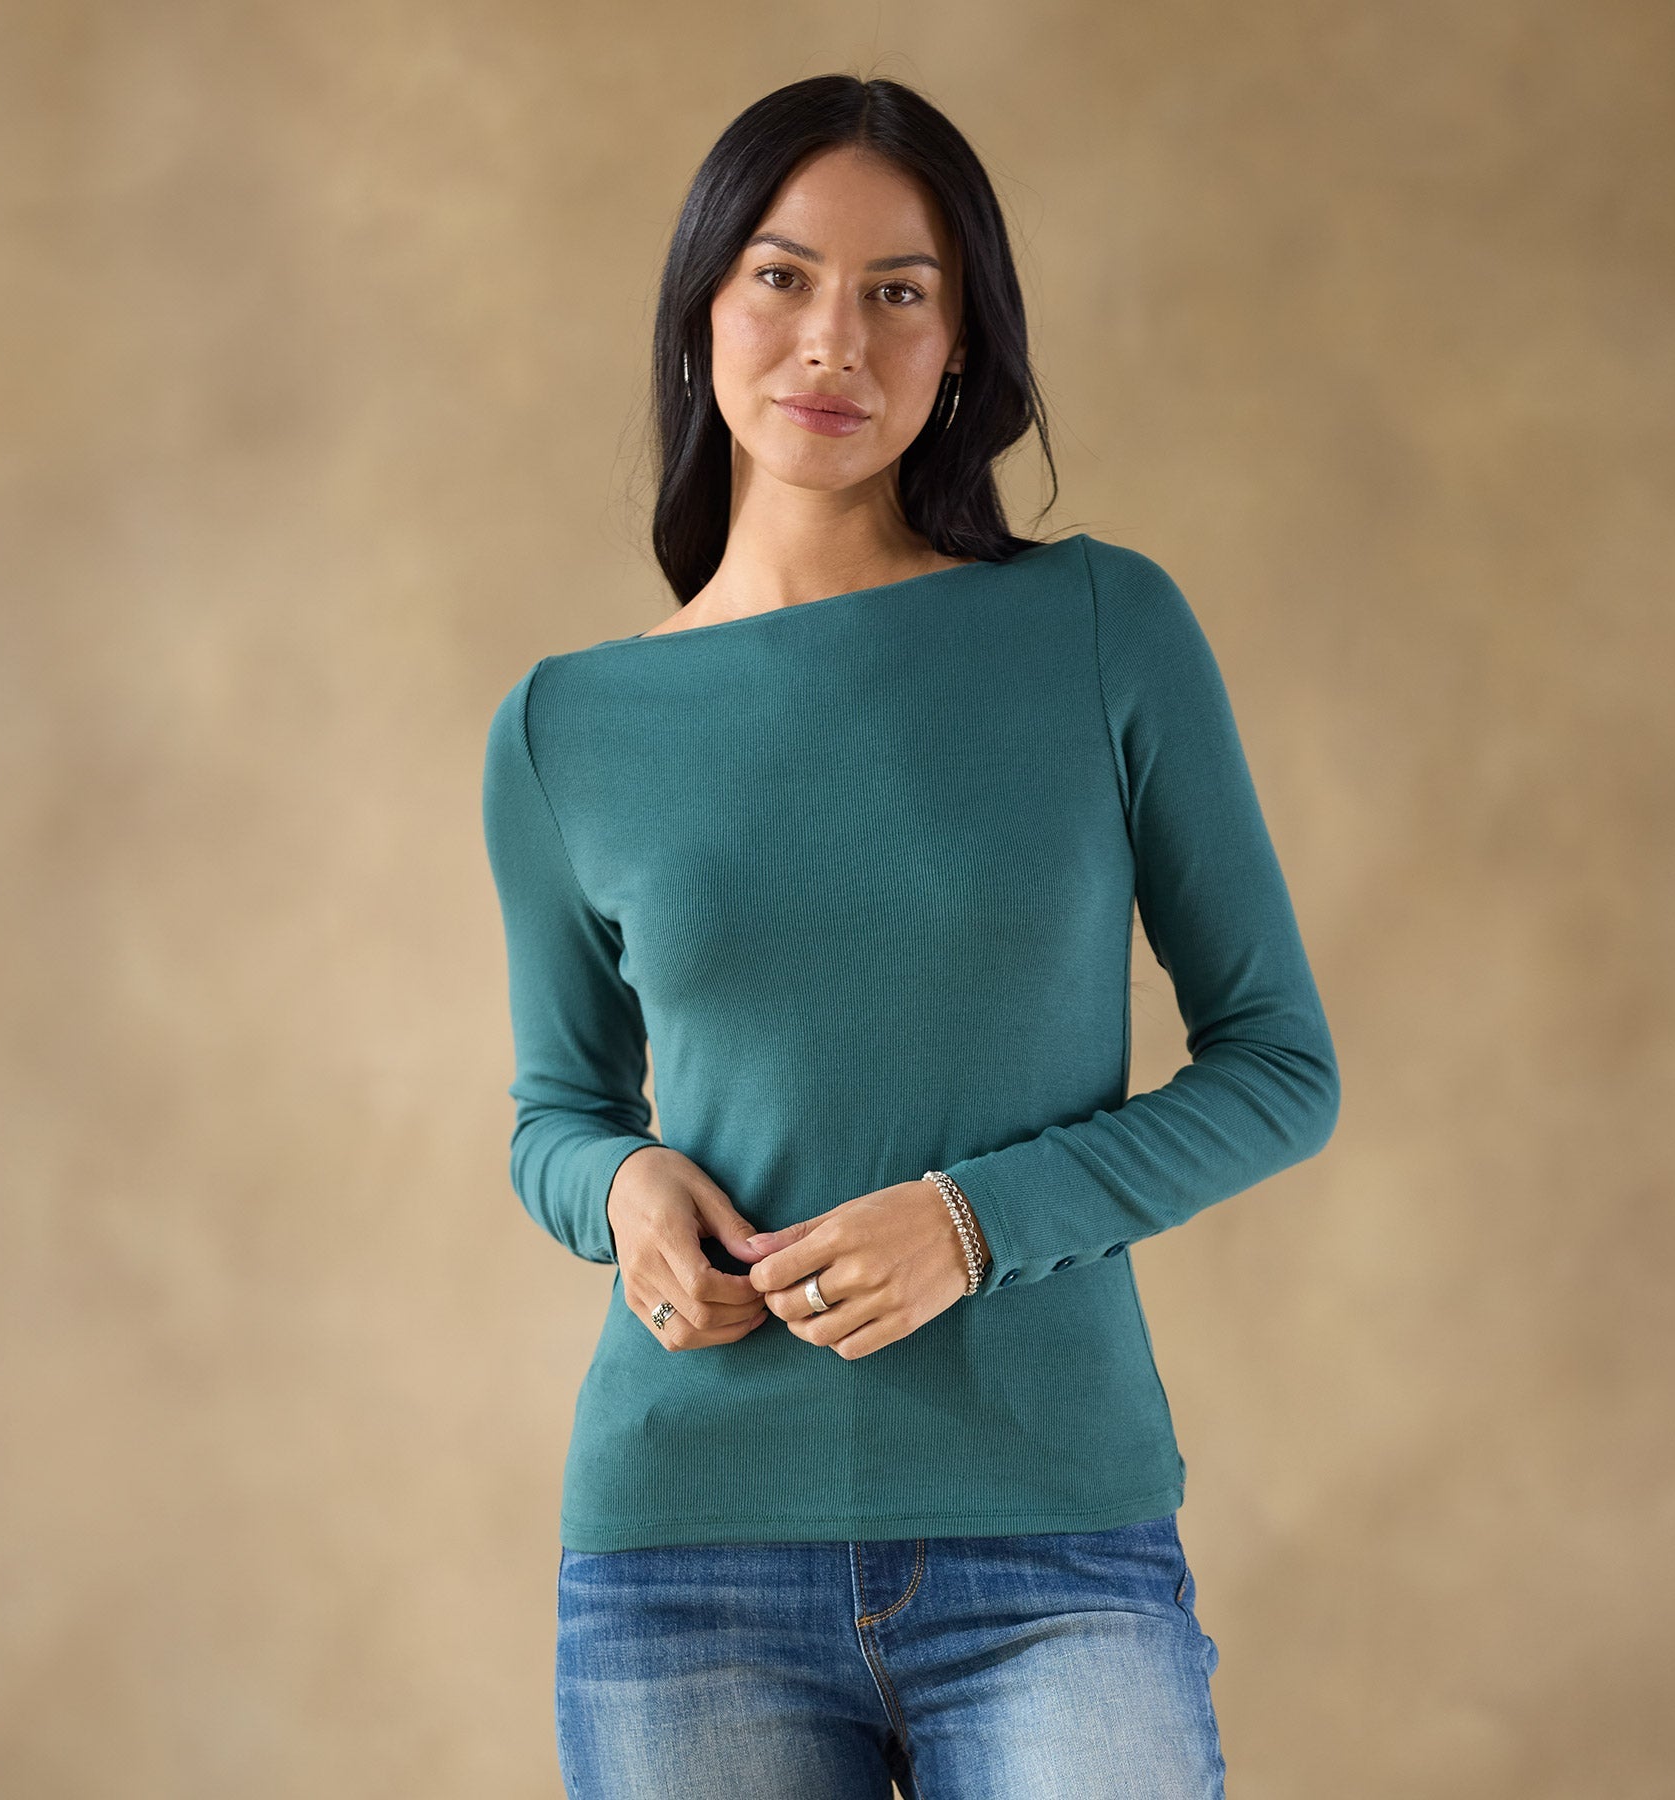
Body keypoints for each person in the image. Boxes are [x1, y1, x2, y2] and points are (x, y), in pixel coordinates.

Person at [481, 72, 1340, 1800]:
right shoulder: (565, 727)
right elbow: (555, 1115)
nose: (835, 343)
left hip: (1051, 1539)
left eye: (899, 292)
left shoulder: (1100, 626)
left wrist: (973, 1222)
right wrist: (622, 1190)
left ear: (961, 348)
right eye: (782, 278)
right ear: (702, 308)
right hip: (684, 1552)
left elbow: (1280, 1069)